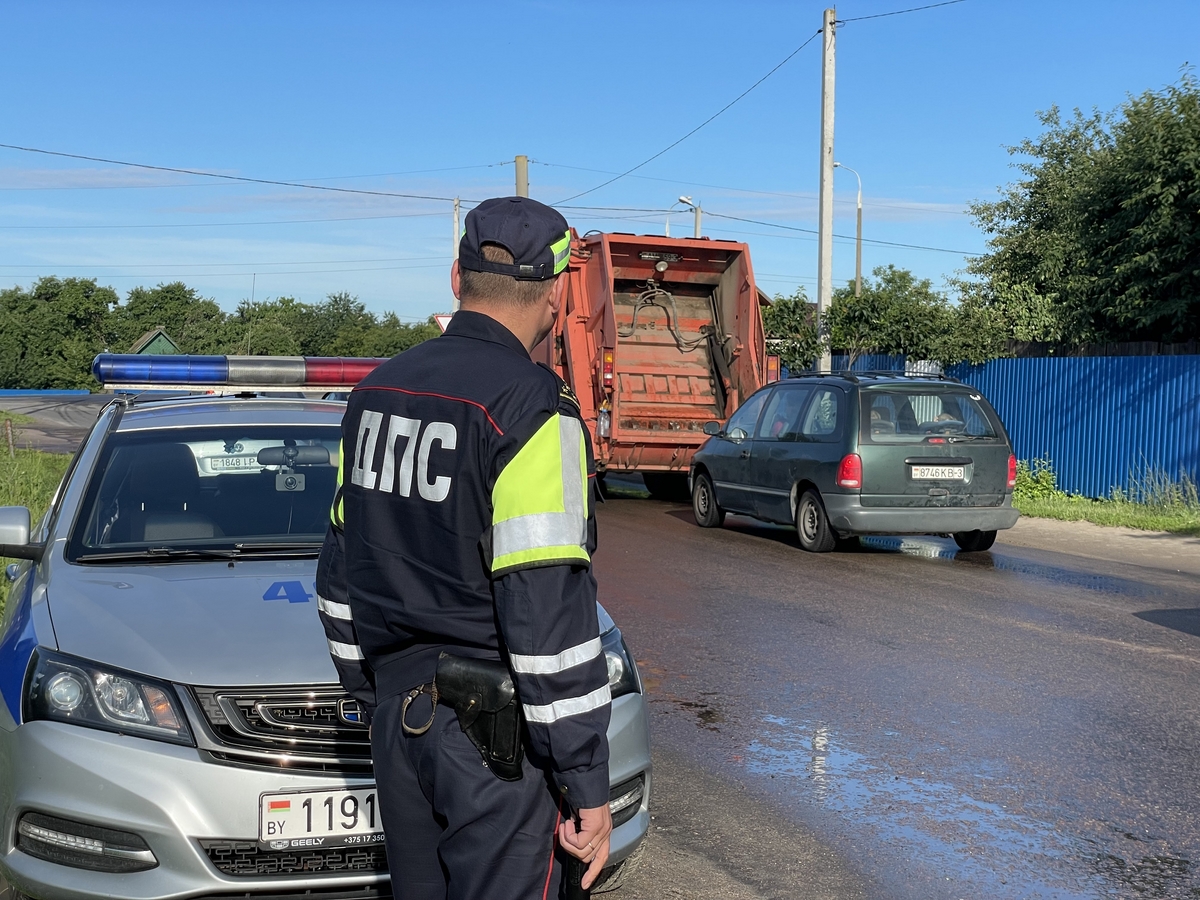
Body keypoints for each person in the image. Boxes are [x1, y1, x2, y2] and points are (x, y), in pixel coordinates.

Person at [316, 196, 612, 900]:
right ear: (559, 291)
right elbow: (546, 620)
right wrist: (584, 779)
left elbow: (337, 579)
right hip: (497, 750)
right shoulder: (536, 410)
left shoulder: (373, 396)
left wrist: (381, 695)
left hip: (400, 725)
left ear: (457, 278)